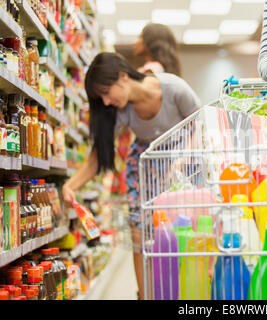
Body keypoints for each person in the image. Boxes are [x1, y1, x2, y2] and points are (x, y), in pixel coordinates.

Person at [61, 52, 201, 300]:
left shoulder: (173, 88)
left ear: (123, 77)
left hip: (185, 162)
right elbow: (97, 158)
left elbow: (201, 123)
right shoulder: (120, 110)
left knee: (187, 232)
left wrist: (184, 157)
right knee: (141, 236)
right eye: (100, 98)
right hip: (146, 166)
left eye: (106, 92)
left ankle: (190, 295)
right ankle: (145, 296)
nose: (105, 102)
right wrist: (71, 185)